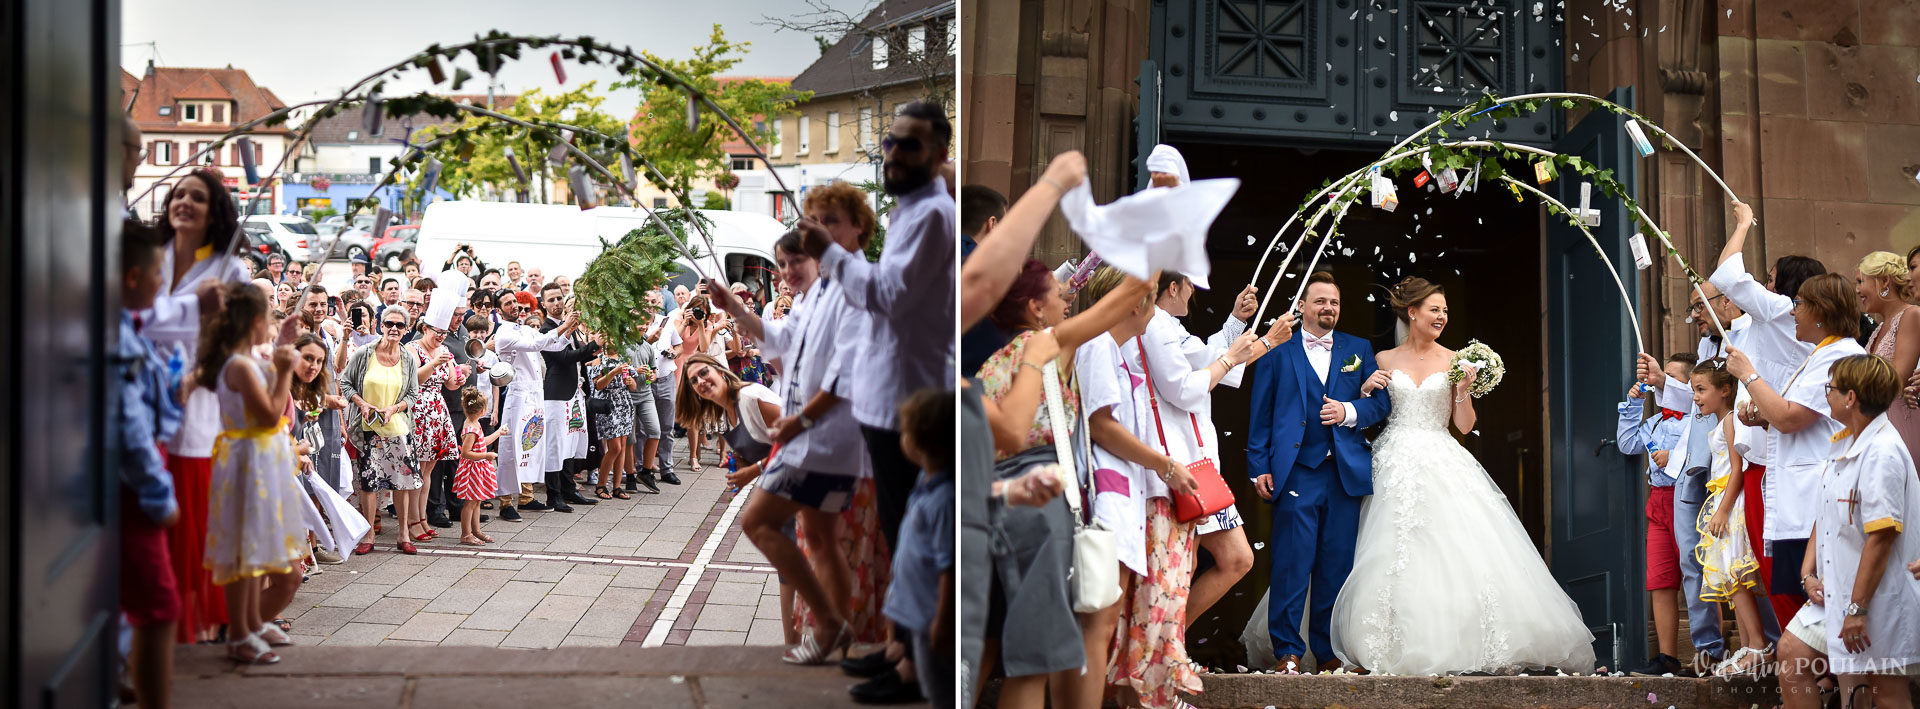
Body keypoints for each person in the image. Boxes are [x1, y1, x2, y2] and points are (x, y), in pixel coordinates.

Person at [1329, 276, 1595, 675]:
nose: (1442, 316)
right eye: (1435, 309)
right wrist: (1365, 389)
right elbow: (1372, 415)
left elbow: (1465, 426)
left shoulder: (1455, 360)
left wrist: (1463, 390)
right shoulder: (1382, 359)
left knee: (1451, 547)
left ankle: (1455, 641)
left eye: (1446, 311)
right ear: (1412, 312)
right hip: (1392, 458)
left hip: (1440, 453)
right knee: (1386, 546)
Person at [976, 260, 1151, 709]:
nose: (1067, 300)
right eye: (1058, 293)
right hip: (1039, 505)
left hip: (989, 504)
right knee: (1034, 661)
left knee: (998, 648)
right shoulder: (1046, 347)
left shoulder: (992, 364)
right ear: (1036, 308)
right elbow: (1127, 297)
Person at [1069, 266, 1203, 709]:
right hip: (1108, 495)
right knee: (1100, 620)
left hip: (1125, 495)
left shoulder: (1117, 350)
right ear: (1134, 303)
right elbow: (1101, 425)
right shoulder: (1099, 346)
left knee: (1109, 618)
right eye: (1148, 297)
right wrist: (1164, 464)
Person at [678, 353, 859, 664]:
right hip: (786, 485)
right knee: (789, 570)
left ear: (721, 371)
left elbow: (798, 437)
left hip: (809, 479)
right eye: (694, 381)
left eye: (703, 373)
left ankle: (838, 633)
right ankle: (797, 645)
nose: (700, 382)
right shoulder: (725, 414)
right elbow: (759, 449)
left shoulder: (750, 397)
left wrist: (753, 470)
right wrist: (742, 467)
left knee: (818, 558)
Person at [1243, 270, 1376, 674]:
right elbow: (1261, 414)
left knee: (1336, 566)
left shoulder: (1359, 348)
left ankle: (1328, 649)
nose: (1328, 308)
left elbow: (1382, 405)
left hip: (1343, 474)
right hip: (1297, 471)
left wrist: (1349, 410)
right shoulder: (1277, 352)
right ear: (1301, 306)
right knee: (1291, 563)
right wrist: (1257, 466)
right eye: (1320, 301)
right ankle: (1288, 650)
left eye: (1334, 302)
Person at [1708, 200, 1829, 628]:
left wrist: (1742, 223)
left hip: (1772, 453)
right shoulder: (1781, 317)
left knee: (1779, 563)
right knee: (1775, 562)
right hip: (1767, 445)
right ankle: (1802, 659)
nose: (1764, 283)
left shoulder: (1779, 310)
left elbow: (1724, 276)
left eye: (1772, 278)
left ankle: (1803, 658)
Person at [1777, 355, 1920, 709]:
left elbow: (1882, 535)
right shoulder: (1845, 442)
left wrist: (1857, 607)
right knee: (1793, 654)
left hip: (1875, 594)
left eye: (1831, 388)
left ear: (1851, 397)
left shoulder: (1882, 452)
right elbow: (1825, 514)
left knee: (1885, 690)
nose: (1827, 395)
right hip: (1837, 591)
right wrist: (1808, 572)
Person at [1725, 272, 1865, 634]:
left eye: (1799, 304)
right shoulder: (1822, 354)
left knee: (1817, 617)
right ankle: (1824, 680)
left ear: (1821, 312)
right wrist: (1763, 419)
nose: (1793, 313)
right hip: (1802, 499)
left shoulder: (1841, 355)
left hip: (1815, 499)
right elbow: (1796, 418)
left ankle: (1827, 681)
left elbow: (1791, 418)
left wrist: (1749, 375)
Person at [143, 167, 249, 644]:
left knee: (190, 520)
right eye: (178, 193)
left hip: (197, 405)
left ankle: (191, 624)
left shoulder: (230, 270)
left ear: (216, 212)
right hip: (139, 398)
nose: (183, 202)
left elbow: (237, 344)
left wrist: (198, 376)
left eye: (198, 198)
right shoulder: (150, 257)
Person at [197, 283, 306, 664]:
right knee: (245, 550)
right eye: (270, 318)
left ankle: (250, 626)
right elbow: (271, 414)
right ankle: (240, 633)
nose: (273, 325)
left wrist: (284, 347)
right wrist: (285, 371)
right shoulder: (239, 365)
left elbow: (269, 369)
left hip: (257, 459)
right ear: (257, 321)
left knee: (255, 547)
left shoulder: (244, 357)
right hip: (249, 461)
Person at [117, 221, 182, 707]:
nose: (162, 285)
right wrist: (158, 493)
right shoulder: (117, 339)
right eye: (158, 273)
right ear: (132, 276)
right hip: (133, 487)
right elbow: (129, 424)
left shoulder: (128, 328)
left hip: (135, 480)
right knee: (160, 606)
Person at [1688, 358, 1770, 677]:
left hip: (1731, 504)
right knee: (1730, 577)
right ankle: (1748, 644)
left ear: (1725, 390)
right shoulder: (1718, 422)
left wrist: (1722, 509)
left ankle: (1758, 644)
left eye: (1701, 389)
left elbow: (1739, 468)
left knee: (1735, 576)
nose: (1695, 397)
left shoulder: (1731, 420)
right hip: (1722, 500)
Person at [1614, 353, 1693, 676]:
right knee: (1660, 581)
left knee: (1696, 576)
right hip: (1658, 504)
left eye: (1672, 378)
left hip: (1686, 500)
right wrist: (1633, 405)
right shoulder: (1656, 422)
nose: (1660, 383)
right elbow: (1627, 444)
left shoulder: (1697, 421)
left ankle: (1707, 652)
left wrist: (1673, 455)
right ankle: (1667, 657)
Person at [886, 388, 955, 708]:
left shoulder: (942, 500)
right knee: (931, 685)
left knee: (940, 690)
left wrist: (942, 621)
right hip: (918, 614)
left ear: (920, 442)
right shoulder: (926, 483)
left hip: (932, 620)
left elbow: (948, 566)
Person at [493, 291, 584, 520]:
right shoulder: (503, 333)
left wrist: (569, 330)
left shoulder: (524, 328)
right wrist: (564, 326)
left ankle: (526, 497)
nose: (514, 306)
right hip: (518, 395)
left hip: (535, 393)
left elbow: (550, 346)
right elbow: (537, 343)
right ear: (498, 310)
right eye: (508, 303)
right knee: (512, 448)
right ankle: (505, 502)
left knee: (531, 445)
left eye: (515, 302)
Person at [341, 307, 420, 554]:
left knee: (401, 482)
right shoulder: (365, 354)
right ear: (379, 324)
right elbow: (345, 382)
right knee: (369, 482)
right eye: (389, 323)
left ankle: (403, 535)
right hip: (368, 427)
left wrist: (395, 408)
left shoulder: (407, 357)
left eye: (400, 325)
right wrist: (362, 404)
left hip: (398, 428)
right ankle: (368, 535)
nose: (394, 328)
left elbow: (413, 394)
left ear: (407, 329)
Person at [538, 283, 600, 511]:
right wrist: (593, 345)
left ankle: (569, 489)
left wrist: (596, 346)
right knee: (555, 445)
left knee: (572, 442)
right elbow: (565, 357)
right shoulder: (546, 330)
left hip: (575, 393)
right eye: (551, 300)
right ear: (543, 304)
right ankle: (553, 495)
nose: (556, 303)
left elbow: (582, 355)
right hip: (556, 396)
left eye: (559, 298)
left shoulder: (571, 326)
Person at [290, 333, 350, 565]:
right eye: (308, 358)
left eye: (319, 361)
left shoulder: (303, 388)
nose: (313, 366)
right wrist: (294, 448)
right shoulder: (281, 386)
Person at [404, 318, 465, 544]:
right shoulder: (412, 347)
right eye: (437, 332)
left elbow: (450, 383)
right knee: (417, 469)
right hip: (419, 408)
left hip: (438, 408)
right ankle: (412, 521)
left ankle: (422, 518)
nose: (440, 336)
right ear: (424, 329)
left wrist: (460, 377)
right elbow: (413, 379)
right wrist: (434, 363)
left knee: (429, 468)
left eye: (444, 332)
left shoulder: (444, 349)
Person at [1857, 251, 1920, 457]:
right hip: (1876, 424)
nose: (1857, 290)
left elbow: (1898, 378)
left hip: (1898, 424)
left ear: (1884, 281)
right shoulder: (1879, 328)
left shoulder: (1911, 315)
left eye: (1861, 281)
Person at [588, 339, 638, 499]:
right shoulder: (599, 360)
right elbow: (598, 385)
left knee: (623, 445)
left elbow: (633, 386)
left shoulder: (625, 358)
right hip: (608, 405)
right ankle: (601, 485)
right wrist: (613, 372)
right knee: (615, 447)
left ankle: (617, 487)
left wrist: (631, 382)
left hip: (624, 402)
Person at [454, 386, 501, 546]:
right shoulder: (471, 430)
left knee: (477, 500)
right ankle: (466, 534)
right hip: (472, 471)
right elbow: (466, 453)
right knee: (470, 503)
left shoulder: (474, 423)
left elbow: (482, 442)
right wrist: (486, 456)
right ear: (482, 410)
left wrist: (498, 433)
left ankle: (476, 531)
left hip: (477, 470)